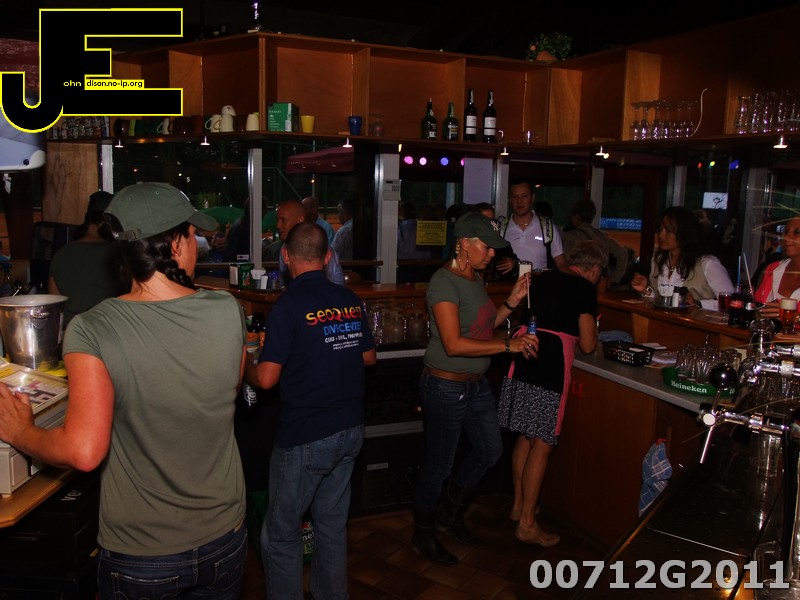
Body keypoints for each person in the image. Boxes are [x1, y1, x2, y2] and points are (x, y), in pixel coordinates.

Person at [0, 182, 248, 599]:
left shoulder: (93, 328)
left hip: (145, 552)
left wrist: (20, 430)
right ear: (174, 244)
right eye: (192, 234)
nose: (196, 245)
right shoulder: (227, 309)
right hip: (225, 537)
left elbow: (84, 451)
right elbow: (227, 389)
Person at [245, 221, 376, 600]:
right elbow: (368, 357)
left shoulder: (288, 306)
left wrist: (243, 364)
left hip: (307, 436)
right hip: (350, 429)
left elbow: (266, 379)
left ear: (286, 257)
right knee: (331, 527)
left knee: (281, 534)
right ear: (328, 256)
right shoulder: (348, 298)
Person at [412, 211, 538, 565]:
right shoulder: (443, 283)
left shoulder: (475, 279)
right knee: (439, 465)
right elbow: (454, 344)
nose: (493, 254)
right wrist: (508, 345)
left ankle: (449, 514)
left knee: (490, 450)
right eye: (487, 247)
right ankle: (422, 534)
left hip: (475, 385)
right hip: (445, 385)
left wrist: (512, 301)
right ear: (464, 244)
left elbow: (484, 326)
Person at [498, 240, 606, 547]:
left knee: (525, 435)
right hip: (551, 360)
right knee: (542, 443)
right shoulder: (584, 288)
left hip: (523, 352)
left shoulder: (540, 278)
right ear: (593, 269)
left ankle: (519, 506)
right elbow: (588, 344)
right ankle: (527, 524)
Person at [631, 206, 735, 309]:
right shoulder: (658, 260)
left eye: (668, 230)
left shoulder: (707, 263)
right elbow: (663, 302)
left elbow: (731, 302)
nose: (661, 235)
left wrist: (698, 304)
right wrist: (645, 290)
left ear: (685, 232)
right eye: (660, 229)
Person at [48, 190, 122, 326]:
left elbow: (54, 302)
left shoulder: (61, 254)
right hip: (106, 327)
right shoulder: (116, 255)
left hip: (70, 328)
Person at [496, 178, 567, 277]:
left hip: (539, 285)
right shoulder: (500, 228)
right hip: (509, 285)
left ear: (532, 198)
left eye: (524, 196)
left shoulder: (547, 227)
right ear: (510, 200)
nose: (519, 201)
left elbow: (561, 263)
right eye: (515, 197)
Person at [274, 198, 345, 284]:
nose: (278, 225)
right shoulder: (285, 248)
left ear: (300, 220)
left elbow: (334, 286)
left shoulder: (319, 246)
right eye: (277, 220)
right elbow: (283, 284)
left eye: (283, 220)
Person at [561, 198, 630, 286]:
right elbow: (622, 253)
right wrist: (614, 279)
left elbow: (566, 263)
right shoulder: (602, 236)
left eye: (571, 216)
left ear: (577, 217)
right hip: (599, 284)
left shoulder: (570, 236)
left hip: (577, 283)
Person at [754, 216, 800, 316]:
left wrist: (793, 316)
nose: (787, 237)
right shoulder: (772, 269)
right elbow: (756, 312)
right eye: (786, 232)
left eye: (797, 232)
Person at [331, 196, 354, 260]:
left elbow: (332, 256)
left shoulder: (343, 232)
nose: (338, 215)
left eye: (339, 212)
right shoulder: (363, 226)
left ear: (344, 213)